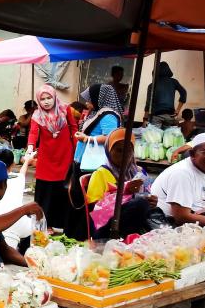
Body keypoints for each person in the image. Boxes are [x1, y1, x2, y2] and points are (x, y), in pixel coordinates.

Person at [67, 83, 123, 239]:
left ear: (100, 98)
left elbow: (110, 137)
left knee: (86, 200)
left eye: (89, 99)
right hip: (83, 161)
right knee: (77, 197)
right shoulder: (98, 113)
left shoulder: (109, 115)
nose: (86, 103)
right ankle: (74, 233)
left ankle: (81, 234)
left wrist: (87, 138)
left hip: (92, 165)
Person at [84, 128, 159, 238]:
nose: (124, 155)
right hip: (106, 227)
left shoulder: (139, 172)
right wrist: (124, 193)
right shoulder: (101, 174)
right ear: (109, 151)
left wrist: (152, 202)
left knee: (153, 209)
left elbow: (146, 196)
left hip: (133, 222)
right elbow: (95, 209)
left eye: (128, 150)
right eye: (119, 150)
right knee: (139, 204)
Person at [26, 84, 77, 229]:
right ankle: (45, 225)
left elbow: (73, 128)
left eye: (49, 98)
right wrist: (30, 146)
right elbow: (33, 133)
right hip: (46, 157)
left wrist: (76, 149)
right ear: (38, 101)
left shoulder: (65, 109)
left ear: (54, 97)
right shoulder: (37, 115)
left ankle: (63, 224)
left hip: (65, 154)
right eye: (42, 99)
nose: (46, 101)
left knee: (63, 189)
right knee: (46, 190)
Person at [151, 132, 205, 226]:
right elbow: (181, 218)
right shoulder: (181, 173)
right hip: (169, 223)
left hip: (198, 214)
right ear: (192, 154)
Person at [0, 148, 34, 251]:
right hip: (17, 224)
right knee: (33, 225)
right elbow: (22, 172)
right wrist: (27, 161)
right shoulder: (18, 178)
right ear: (13, 164)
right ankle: (23, 251)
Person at [145, 62, 187, 128]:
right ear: (168, 70)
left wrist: (145, 119)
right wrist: (178, 110)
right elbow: (184, 93)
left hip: (156, 116)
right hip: (169, 116)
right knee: (168, 134)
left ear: (155, 71)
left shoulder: (151, 85)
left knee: (155, 134)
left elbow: (148, 104)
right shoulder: (174, 82)